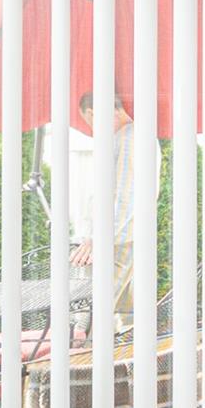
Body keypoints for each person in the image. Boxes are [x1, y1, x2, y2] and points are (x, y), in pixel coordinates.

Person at [72, 91, 139, 333]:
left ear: (93, 113)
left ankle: (87, 365)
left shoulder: (130, 139)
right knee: (118, 318)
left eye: (88, 121)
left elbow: (125, 198)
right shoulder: (124, 139)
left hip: (118, 242)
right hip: (118, 239)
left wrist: (97, 238)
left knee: (95, 312)